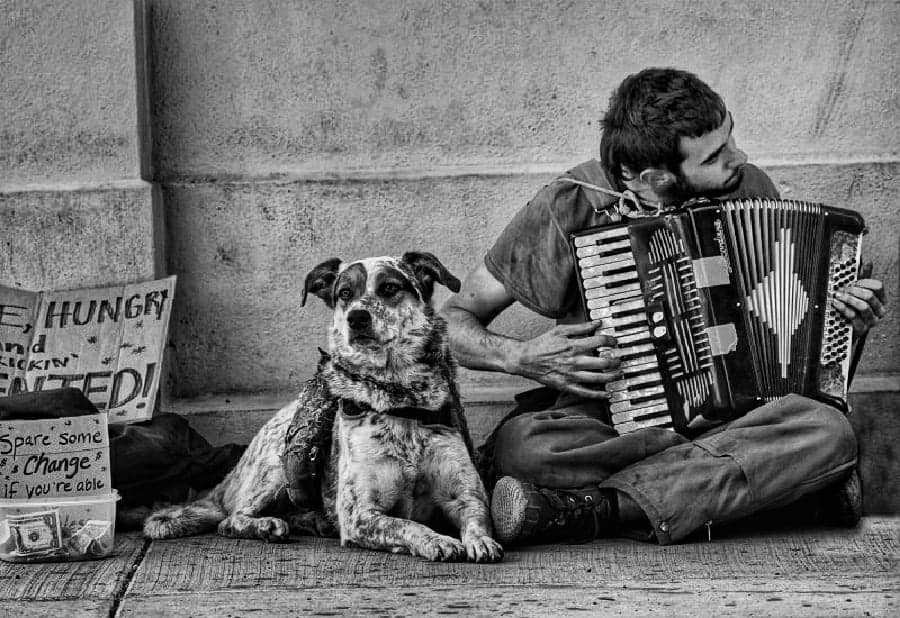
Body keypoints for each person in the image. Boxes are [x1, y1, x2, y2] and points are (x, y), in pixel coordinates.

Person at [440, 67, 886, 546]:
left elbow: (788, 342)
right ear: (657, 177)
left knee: (827, 430)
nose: (740, 156)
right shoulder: (569, 205)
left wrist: (844, 323)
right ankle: (763, 489)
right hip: (609, 422)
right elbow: (450, 321)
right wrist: (521, 357)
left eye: (730, 136)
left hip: (736, 418)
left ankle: (599, 510)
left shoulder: (749, 187)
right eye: (716, 156)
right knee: (522, 448)